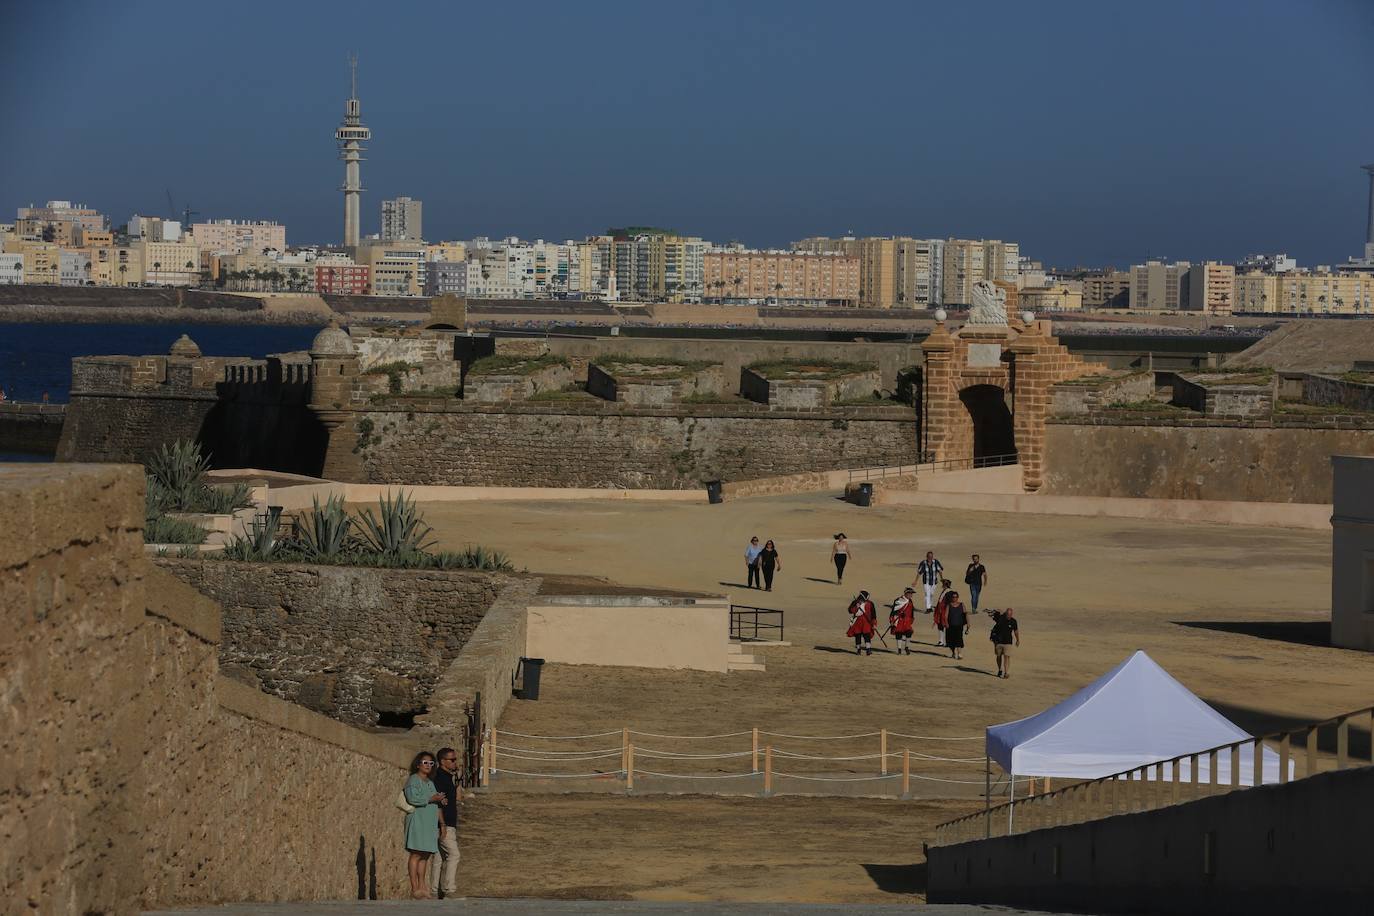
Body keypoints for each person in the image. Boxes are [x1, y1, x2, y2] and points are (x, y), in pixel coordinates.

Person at [402, 751, 444, 899]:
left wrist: (439, 800)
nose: (428, 765)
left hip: (429, 823)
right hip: (418, 820)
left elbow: (434, 800)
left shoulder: (430, 782)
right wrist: (431, 798)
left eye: (431, 763)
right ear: (418, 764)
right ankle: (414, 888)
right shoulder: (413, 780)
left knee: (425, 855)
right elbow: (413, 798)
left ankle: (422, 886)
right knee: (416, 853)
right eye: (425, 762)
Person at [429, 746, 462, 899]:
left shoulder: (447, 777)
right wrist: (442, 824)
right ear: (443, 761)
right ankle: (449, 889)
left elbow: (456, 799)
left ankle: (434, 890)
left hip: (445, 823)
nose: (455, 762)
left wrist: (458, 782)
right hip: (444, 824)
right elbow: (439, 802)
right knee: (454, 854)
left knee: (439, 858)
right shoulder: (440, 778)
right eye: (452, 760)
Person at [988, 607, 1020, 679]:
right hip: (998, 642)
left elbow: (1016, 631)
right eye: (1008, 614)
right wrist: (999, 611)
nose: (1009, 616)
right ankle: (1000, 669)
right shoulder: (1000, 618)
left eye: (1010, 615)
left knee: (1006, 656)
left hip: (1008, 642)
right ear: (1005, 614)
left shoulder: (1013, 621)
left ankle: (1006, 672)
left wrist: (1018, 640)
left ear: (1012, 614)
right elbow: (994, 614)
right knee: (998, 656)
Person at [845, 590, 876, 656]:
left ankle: (868, 649)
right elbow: (850, 610)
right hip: (857, 621)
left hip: (866, 622)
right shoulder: (855, 602)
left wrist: (874, 623)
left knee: (867, 635)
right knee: (858, 635)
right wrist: (856, 606)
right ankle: (858, 650)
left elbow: (873, 614)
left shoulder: (870, 603)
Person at [888, 587, 916, 655]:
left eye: (911, 593)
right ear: (906, 593)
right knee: (899, 634)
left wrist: (912, 619)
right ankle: (899, 649)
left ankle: (906, 647)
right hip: (899, 620)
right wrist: (892, 620)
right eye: (910, 593)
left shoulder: (910, 601)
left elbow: (912, 611)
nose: (911, 595)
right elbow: (893, 611)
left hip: (907, 621)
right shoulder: (898, 600)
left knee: (909, 633)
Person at [944, 591, 969, 660]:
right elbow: (946, 616)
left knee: (959, 639)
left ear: (958, 597)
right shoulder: (949, 605)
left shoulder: (961, 604)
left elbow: (965, 614)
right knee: (951, 640)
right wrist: (946, 623)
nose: (954, 598)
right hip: (950, 625)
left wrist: (968, 623)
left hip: (959, 625)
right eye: (953, 597)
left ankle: (959, 653)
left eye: (956, 597)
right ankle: (953, 652)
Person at [931, 578, 953, 647]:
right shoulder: (945, 591)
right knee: (940, 625)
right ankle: (941, 641)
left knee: (946, 626)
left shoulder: (949, 592)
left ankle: (948, 642)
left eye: (943, 584)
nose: (942, 585)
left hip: (945, 611)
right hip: (941, 611)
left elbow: (949, 603)